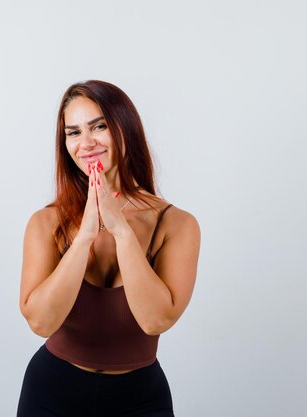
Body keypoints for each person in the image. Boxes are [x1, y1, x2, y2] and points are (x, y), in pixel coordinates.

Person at [16, 80, 201, 417]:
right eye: (73, 133)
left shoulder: (177, 225)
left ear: (124, 128)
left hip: (140, 400)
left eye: (98, 126)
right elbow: (41, 323)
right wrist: (85, 235)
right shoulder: (45, 223)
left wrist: (121, 231)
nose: (86, 143)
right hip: (52, 392)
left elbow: (155, 320)